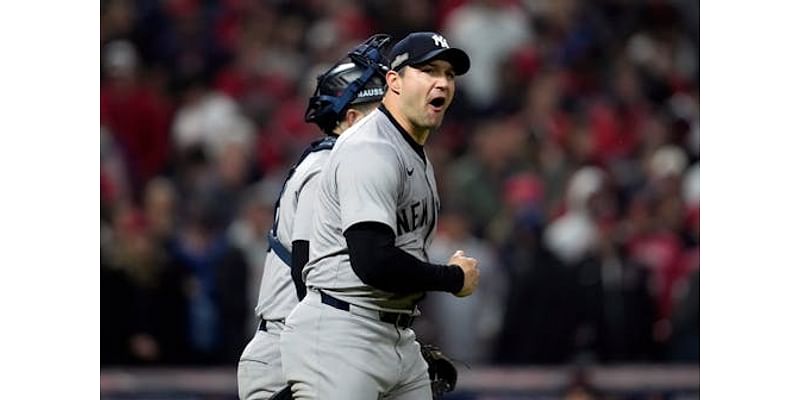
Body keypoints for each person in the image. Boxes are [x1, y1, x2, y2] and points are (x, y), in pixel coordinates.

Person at [280, 31, 479, 399]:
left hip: (393, 333)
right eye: (428, 70)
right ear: (394, 81)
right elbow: (373, 261)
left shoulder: (412, 150)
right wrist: (452, 278)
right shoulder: (370, 147)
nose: (442, 82)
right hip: (342, 330)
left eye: (449, 75)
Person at [236, 35, 392, 400]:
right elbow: (306, 271)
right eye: (381, 112)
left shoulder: (362, 172)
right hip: (288, 355)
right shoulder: (324, 169)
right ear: (351, 119)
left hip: (327, 347)